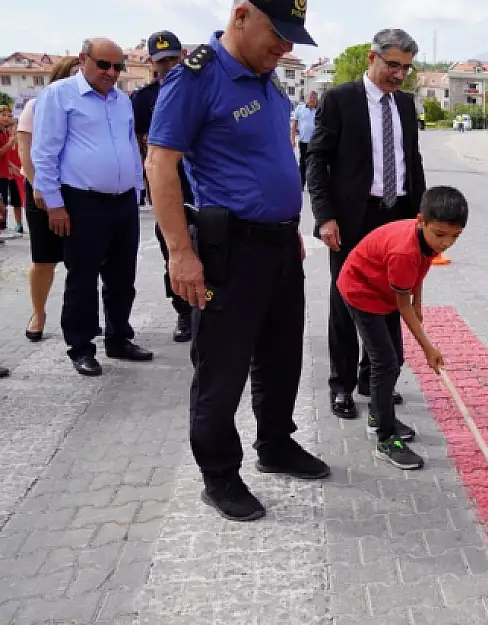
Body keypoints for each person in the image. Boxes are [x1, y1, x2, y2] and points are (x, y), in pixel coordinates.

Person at [145, 0, 326, 522]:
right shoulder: (196, 77)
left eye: (294, 37)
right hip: (230, 252)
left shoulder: (264, 76)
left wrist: (289, 227)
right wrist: (180, 253)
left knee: (280, 354)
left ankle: (276, 444)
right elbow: (160, 165)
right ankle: (219, 475)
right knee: (222, 368)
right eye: (278, 34)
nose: (285, 48)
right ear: (241, 15)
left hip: (279, 244)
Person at [306, 28, 427, 421]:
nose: (399, 75)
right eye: (393, 65)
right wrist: (324, 217)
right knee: (345, 303)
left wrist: (421, 217)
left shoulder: (406, 105)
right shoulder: (340, 100)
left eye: (406, 68)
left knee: (392, 299)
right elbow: (317, 161)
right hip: (351, 219)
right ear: (371, 59)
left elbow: (413, 161)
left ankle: (373, 379)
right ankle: (340, 385)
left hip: (397, 218)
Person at [32, 37, 153, 377]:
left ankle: (118, 338)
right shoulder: (59, 96)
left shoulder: (121, 101)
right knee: (83, 276)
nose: (111, 72)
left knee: (122, 276)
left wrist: (136, 189)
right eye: (104, 65)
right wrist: (54, 204)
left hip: (123, 201)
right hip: (81, 201)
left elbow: (130, 145)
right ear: (83, 59)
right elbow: (45, 152)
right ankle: (81, 347)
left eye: (118, 66)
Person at [338, 186, 467, 470]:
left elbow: (420, 270)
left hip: (384, 290)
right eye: (441, 235)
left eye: (455, 236)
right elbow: (403, 304)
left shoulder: (426, 240)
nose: (446, 244)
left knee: (394, 359)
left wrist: (419, 301)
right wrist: (429, 348)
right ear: (421, 220)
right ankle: (385, 439)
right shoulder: (403, 252)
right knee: (385, 363)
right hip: (363, 292)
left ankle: (377, 413)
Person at [132, 30, 195, 343]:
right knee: (173, 251)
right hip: (168, 189)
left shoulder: (199, 90)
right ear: (151, 63)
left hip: (202, 188)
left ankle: (207, 312)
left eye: (173, 58)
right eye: (161, 62)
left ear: (182, 56)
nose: (168, 66)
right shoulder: (143, 100)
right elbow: (140, 145)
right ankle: (183, 313)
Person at [16, 56, 80, 342]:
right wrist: (39, 188)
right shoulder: (36, 105)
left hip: (78, 193)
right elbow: (26, 153)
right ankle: (38, 313)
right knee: (44, 259)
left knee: (82, 260)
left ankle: (81, 318)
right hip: (42, 193)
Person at [0, 104, 22, 233]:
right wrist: (10, 144)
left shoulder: (5, 132)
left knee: (4, 203)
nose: (7, 118)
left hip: (3, 174)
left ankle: (2, 229)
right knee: (1, 204)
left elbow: (4, 157)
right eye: (3, 115)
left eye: (9, 115)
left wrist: (13, 167)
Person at [291, 89, 318, 189]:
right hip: (303, 141)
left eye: (314, 98)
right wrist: (292, 139)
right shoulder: (300, 108)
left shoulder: (318, 110)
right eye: (310, 97)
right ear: (307, 98)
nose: (312, 100)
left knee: (313, 163)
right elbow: (294, 124)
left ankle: (312, 184)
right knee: (303, 162)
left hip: (315, 142)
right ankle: (301, 183)